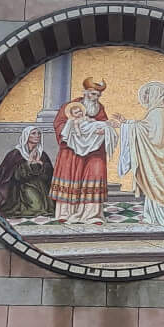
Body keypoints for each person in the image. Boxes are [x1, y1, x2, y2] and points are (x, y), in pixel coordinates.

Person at [122, 80, 164, 226]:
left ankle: (162, 217)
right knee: (154, 186)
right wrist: (128, 123)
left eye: (149, 95)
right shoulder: (157, 112)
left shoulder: (158, 112)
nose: (146, 98)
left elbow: (153, 136)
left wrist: (127, 125)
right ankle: (152, 216)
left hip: (158, 157)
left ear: (156, 95)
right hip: (157, 156)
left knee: (156, 185)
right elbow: (146, 128)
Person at [51, 77, 113, 224]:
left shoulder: (99, 109)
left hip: (95, 151)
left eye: (98, 95)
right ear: (84, 93)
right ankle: (65, 213)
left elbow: (104, 124)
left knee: (95, 174)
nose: (95, 98)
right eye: (93, 94)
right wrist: (70, 130)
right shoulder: (70, 106)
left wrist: (103, 130)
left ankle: (92, 215)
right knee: (70, 175)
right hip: (71, 151)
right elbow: (59, 124)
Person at [0, 125, 53, 219]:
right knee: (35, 207)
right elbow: (6, 174)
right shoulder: (15, 154)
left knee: (49, 207)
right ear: (26, 136)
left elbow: (49, 173)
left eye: (39, 133)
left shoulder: (42, 154)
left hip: (41, 186)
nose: (37, 136)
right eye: (34, 133)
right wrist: (28, 163)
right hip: (20, 188)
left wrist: (41, 165)